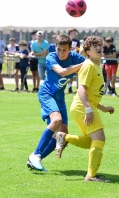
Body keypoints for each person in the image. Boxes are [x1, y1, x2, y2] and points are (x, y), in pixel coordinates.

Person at [55, 36, 115, 183]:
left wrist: (103, 108)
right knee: (99, 138)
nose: (99, 47)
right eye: (95, 46)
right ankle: (91, 176)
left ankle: (63, 137)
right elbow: (81, 90)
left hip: (83, 107)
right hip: (82, 107)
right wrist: (88, 109)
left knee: (90, 141)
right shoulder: (88, 66)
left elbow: (91, 95)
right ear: (88, 51)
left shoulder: (95, 66)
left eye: (99, 45)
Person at [27, 34, 85, 171]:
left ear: (70, 49)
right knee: (57, 120)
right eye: (59, 49)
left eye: (64, 50)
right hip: (46, 94)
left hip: (59, 98)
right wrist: (84, 63)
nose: (61, 53)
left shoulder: (76, 58)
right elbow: (63, 72)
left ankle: (37, 159)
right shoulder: (51, 57)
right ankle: (35, 154)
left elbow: (90, 66)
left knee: (62, 136)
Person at [67, 28, 81, 93]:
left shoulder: (77, 41)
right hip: (66, 58)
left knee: (72, 74)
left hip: (73, 59)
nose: (75, 34)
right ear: (70, 32)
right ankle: (68, 87)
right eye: (74, 32)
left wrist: (75, 50)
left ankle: (72, 88)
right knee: (67, 74)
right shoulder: (66, 40)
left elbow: (77, 49)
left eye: (76, 33)